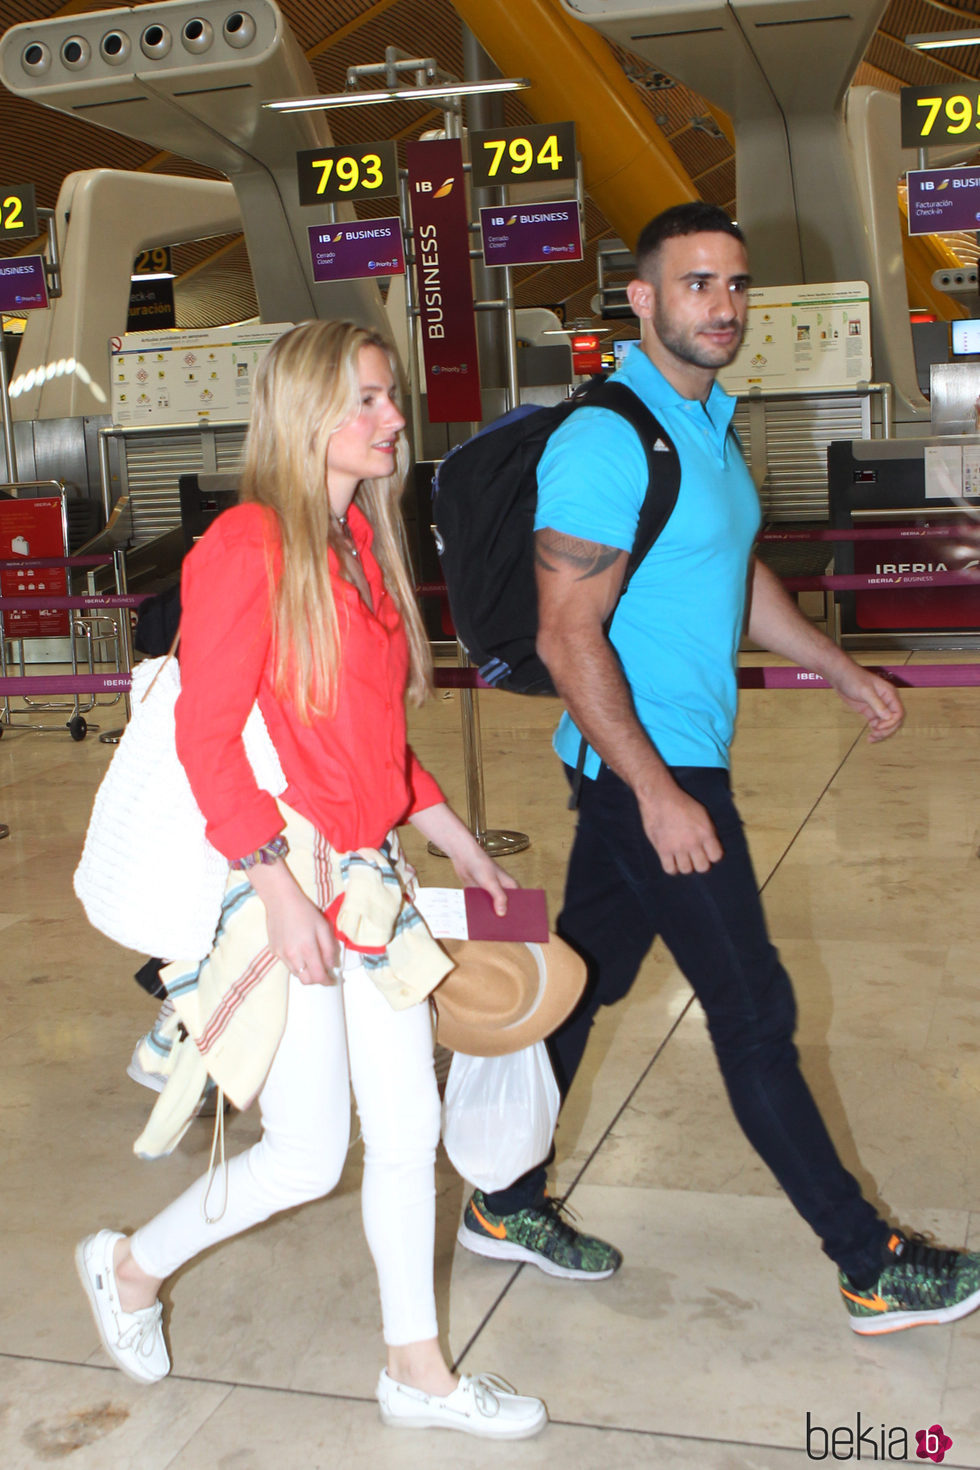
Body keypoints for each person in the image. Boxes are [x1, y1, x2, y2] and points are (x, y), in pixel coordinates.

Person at [456, 201, 980, 1335]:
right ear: (640, 299)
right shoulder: (608, 438)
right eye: (696, 285)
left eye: (735, 286)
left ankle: (499, 1198)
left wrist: (840, 668)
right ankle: (865, 1260)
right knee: (751, 1009)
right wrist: (654, 791)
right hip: (648, 770)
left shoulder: (708, 427)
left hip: (656, 766)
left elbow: (734, 579)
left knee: (579, 980)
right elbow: (565, 635)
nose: (723, 307)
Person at [75, 319, 547, 1440]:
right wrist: (278, 888)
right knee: (304, 1152)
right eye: (370, 402)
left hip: (369, 879)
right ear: (307, 416)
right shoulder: (246, 547)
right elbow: (207, 738)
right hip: (285, 875)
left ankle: (414, 1372)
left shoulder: (361, 549)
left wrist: (454, 838)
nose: (394, 422)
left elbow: (371, 740)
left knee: (402, 1128)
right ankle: (130, 1267)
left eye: (389, 399)